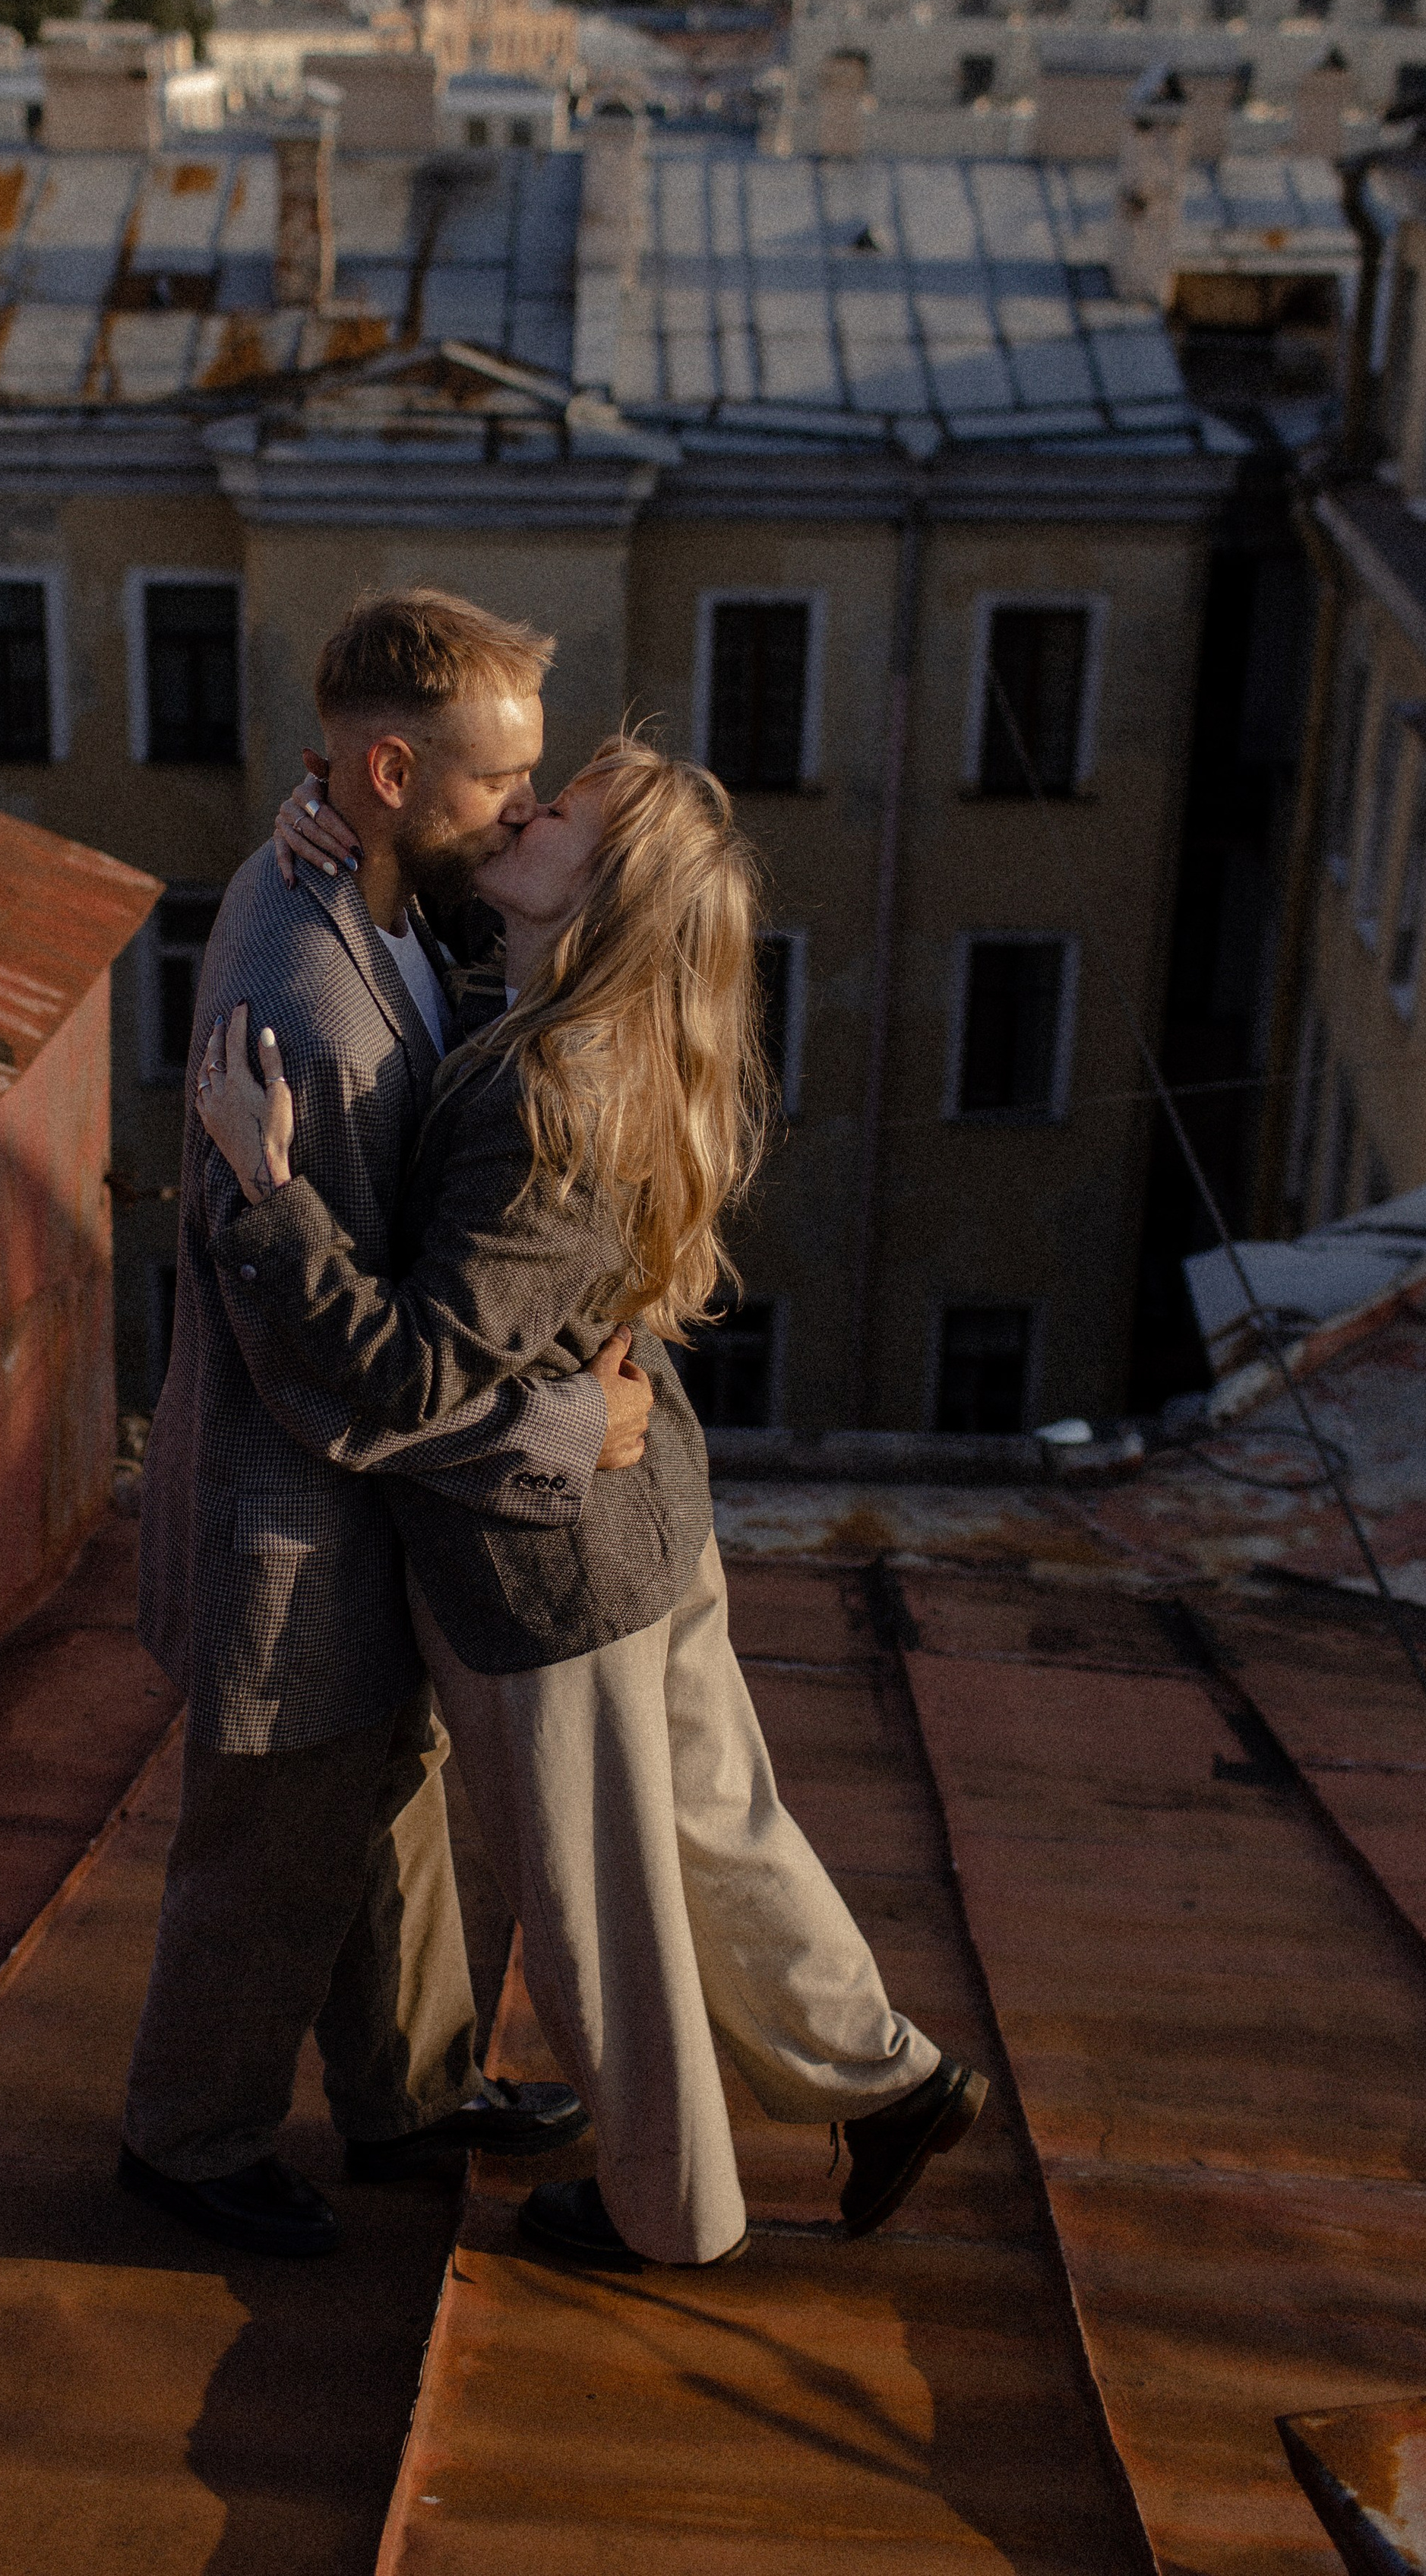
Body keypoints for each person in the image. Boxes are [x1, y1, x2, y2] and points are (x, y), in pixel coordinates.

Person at [198, 733, 987, 2271]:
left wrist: (270, 1197)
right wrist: (341, 827)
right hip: (643, 1522)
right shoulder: (593, 1037)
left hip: (541, 1572)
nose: (523, 804)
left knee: (599, 1912)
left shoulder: (541, 1094)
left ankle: (667, 2214)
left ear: (604, 886)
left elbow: (409, 1375)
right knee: (714, 1831)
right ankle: (884, 2081)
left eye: (556, 810)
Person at [123, 590, 659, 2261]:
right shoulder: (312, 1001)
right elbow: (342, 1373)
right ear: (382, 764)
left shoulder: (359, 885)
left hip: (359, 1523)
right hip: (292, 1523)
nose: (520, 808)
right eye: (498, 781)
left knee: (388, 1815)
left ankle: (411, 2099)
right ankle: (185, 2143)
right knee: (271, 1850)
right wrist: (572, 1433)